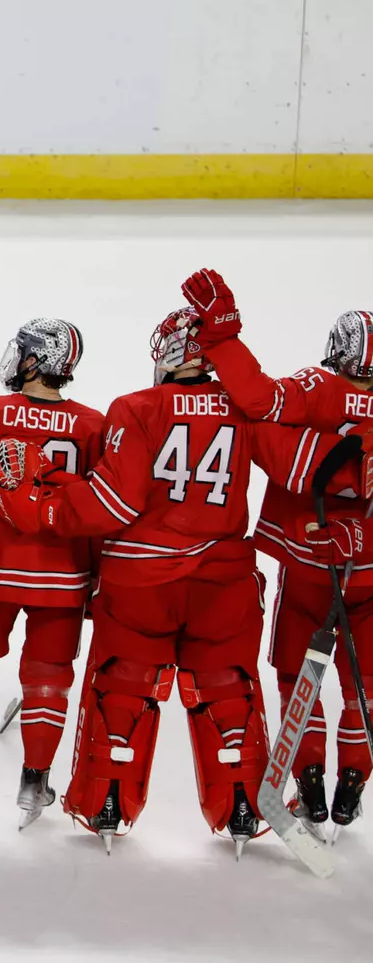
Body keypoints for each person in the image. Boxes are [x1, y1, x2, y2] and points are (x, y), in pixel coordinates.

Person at [0, 306, 358, 853]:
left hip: (142, 581)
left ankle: (106, 801)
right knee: (229, 694)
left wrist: (44, 502)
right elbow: (303, 464)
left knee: (123, 687)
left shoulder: (136, 407)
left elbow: (113, 501)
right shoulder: (242, 410)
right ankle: (244, 808)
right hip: (223, 584)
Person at [181, 269, 373, 836]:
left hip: (312, 566)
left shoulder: (318, 387)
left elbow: (258, 405)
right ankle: (353, 785)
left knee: (298, 673)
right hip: (369, 573)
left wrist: (220, 334)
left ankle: (310, 783)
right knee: (366, 686)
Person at [0, 319, 104, 827]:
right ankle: (36, 780)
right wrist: (96, 573)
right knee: (49, 682)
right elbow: (98, 509)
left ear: (35, 361)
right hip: (65, 574)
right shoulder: (95, 424)